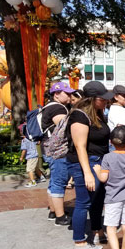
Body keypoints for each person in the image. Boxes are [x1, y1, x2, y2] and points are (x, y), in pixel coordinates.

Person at [66, 81, 112, 249]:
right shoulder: (79, 116)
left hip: (99, 161)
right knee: (83, 202)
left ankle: (97, 229)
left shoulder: (98, 113)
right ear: (93, 99)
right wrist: (87, 173)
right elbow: (80, 146)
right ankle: (79, 242)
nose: (106, 101)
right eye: (103, 99)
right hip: (85, 163)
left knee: (98, 199)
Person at [42, 82, 75, 226]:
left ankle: (53, 210)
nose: (69, 96)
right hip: (58, 152)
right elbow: (64, 129)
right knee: (59, 182)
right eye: (66, 93)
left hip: (48, 149)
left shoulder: (49, 106)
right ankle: (60, 217)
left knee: (54, 181)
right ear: (56, 94)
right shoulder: (57, 108)